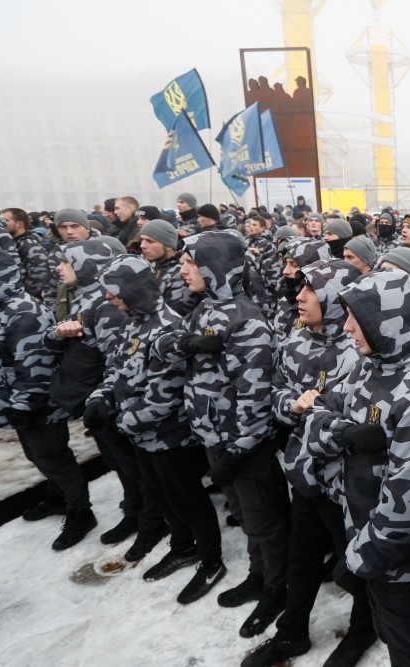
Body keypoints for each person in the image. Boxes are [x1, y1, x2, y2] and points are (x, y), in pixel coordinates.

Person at [303, 271, 410, 667]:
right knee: (395, 635)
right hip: (365, 538)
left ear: (387, 324)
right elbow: (315, 419)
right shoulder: (367, 366)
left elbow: (407, 512)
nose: (348, 326)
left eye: (357, 317)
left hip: (401, 562)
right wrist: (347, 433)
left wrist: (358, 560)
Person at [152, 231, 288, 639]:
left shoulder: (245, 319)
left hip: (243, 445)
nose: (182, 268)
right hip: (215, 438)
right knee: (246, 517)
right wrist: (188, 343)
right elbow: (160, 345)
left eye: (191, 263)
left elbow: (256, 395)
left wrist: (240, 450)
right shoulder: (202, 310)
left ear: (214, 268)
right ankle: (259, 572)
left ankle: (278, 586)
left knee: (265, 520)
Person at [243, 259, 371, 667]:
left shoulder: (362, 350)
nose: (299, 297)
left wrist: (325, 417)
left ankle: (362, 632)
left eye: (311, 289)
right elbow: (276, 391)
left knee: (355, 567)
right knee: (301, 560)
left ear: (336, 298)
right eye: (300, 288)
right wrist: (292, 405)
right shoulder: (297, 340)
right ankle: (292, 632)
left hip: (344, 487)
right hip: (305, 476)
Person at [94, 256, 225, 602]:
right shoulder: (132, 323)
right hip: (140, 435)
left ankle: (211, 560)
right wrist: (100, 399)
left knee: (188, 499)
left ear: (134, 289)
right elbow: (116, 370)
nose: (109, 298)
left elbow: (164, 394)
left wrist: (121, 422)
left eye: (114, 291)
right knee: (160, 496)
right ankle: (182, 546)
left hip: (170, 437)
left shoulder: (167, 327)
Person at [50, 238, 168, 559]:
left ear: (86, 265)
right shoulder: (89, 299)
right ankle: (134, 510)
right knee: (119, 463)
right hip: (101, 401)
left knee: (131, 465)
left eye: (67, 263)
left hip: (116, 401)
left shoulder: (106, 305)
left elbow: (119, 361)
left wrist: (108, 401)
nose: (59, 269)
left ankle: (150, 519)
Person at [0, 250, 93, 549]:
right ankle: (57, 497)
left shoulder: (22, 310)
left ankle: (81, 511)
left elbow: (37, 363)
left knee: (54, 457)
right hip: (18, 398)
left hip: (38, 402)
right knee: (37, 456)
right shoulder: (4, 306)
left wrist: (23, 405)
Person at [139, 219, 199, 316]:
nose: (142, 245)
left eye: (150, 241)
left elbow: (173, 316)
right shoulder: (152, 265)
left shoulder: (183, 272)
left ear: (168, 246)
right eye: (142, 240)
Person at [0, 207, 58, 302]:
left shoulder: (29, 244)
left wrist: (31, 298)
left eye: (6, 220)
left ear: (20, 224)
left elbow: (40, 276)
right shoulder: (12, 242)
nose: (2, 223)